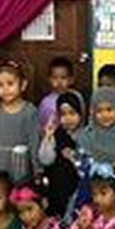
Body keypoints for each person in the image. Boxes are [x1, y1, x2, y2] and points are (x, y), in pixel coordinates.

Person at [76, 87, 115, 210]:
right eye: (99, 111)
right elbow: (81, 169)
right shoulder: (87, 136)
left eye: (109, 109)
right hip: (90, 199)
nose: (105, 115)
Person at [0, 61, 40, 183]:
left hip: (21, 162)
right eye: (0, 85)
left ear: (23, 85)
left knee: (19, 190)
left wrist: (37, 168)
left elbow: (34, 141)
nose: (5, 89)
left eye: (10, 83)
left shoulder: (30, 111)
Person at [38, 90, 85, 218]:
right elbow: (45, 160)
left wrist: (74, 157)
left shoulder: (87, 136)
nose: (68, 118)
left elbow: (88, 168)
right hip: (57, 190)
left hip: (77, 193)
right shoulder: (57, 134)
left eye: (72, 113)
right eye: (63, 114)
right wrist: (48, 137)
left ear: (81, 113)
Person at [37, 57, 80, 132]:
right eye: (54, 78)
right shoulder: (46, 103)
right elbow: (41, 124)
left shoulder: (76, 96)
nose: (59, 82)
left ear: (71, 80)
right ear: (49, 79)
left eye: (63, 78)